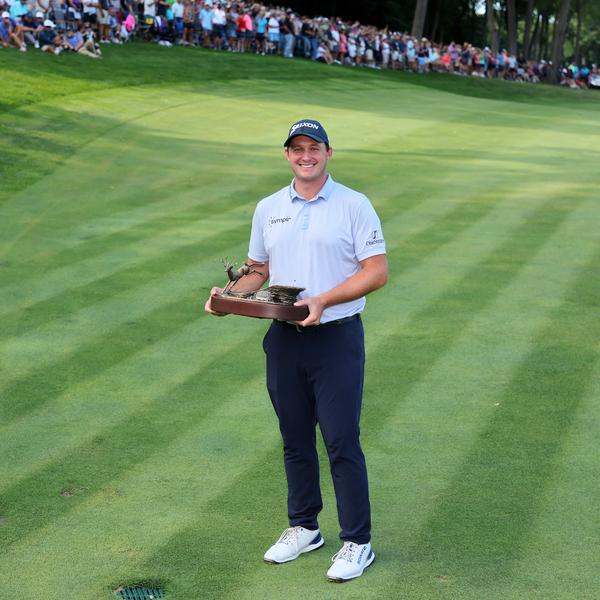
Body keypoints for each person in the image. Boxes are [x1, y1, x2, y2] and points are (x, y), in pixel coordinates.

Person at [205, 119, 387, 582]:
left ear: (328, 152)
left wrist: (324, 300)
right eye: (297, 148)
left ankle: (358, 541)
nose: (306, 156)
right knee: (295, 438)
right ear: (287, 154)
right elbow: (258, 268)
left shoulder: (354, 204)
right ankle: (305, 527)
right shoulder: (269, 207)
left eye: (314, 148)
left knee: (341, 440)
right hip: (284, 338)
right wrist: (228, 298)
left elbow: (376, 271)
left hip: (336, 337)